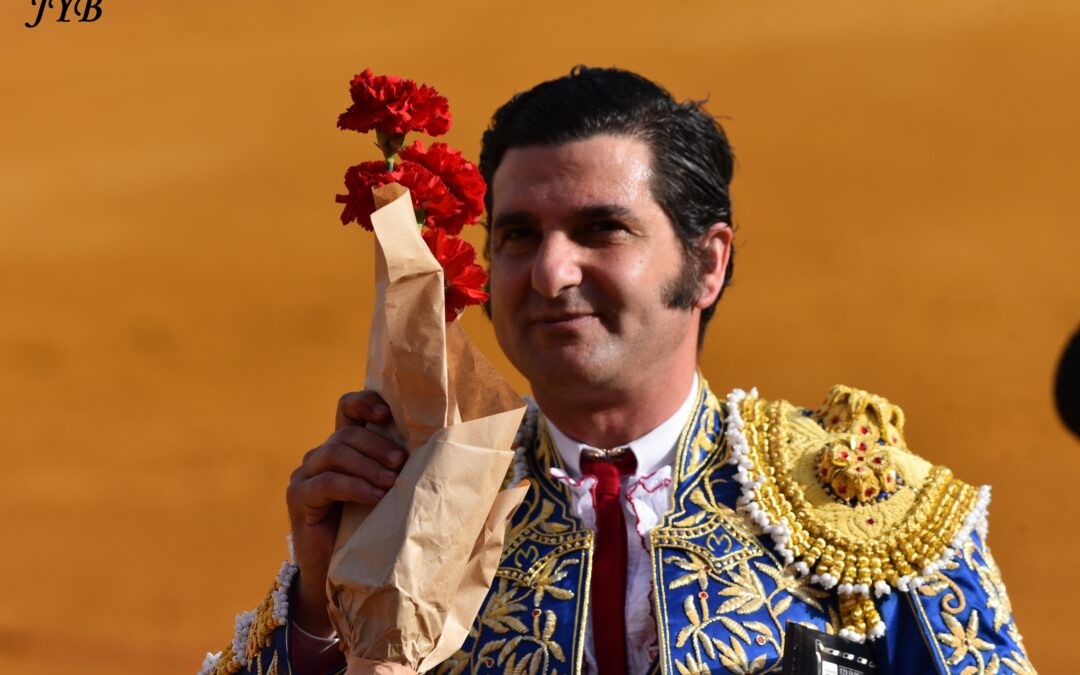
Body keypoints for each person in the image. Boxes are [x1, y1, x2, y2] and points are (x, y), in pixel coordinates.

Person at [200, 67, 1035, 675]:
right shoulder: (418, 505)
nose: (549, 272)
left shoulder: (863, 508)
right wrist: (319, 614)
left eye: (602, 230)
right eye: (519, 236)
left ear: (707, 264)